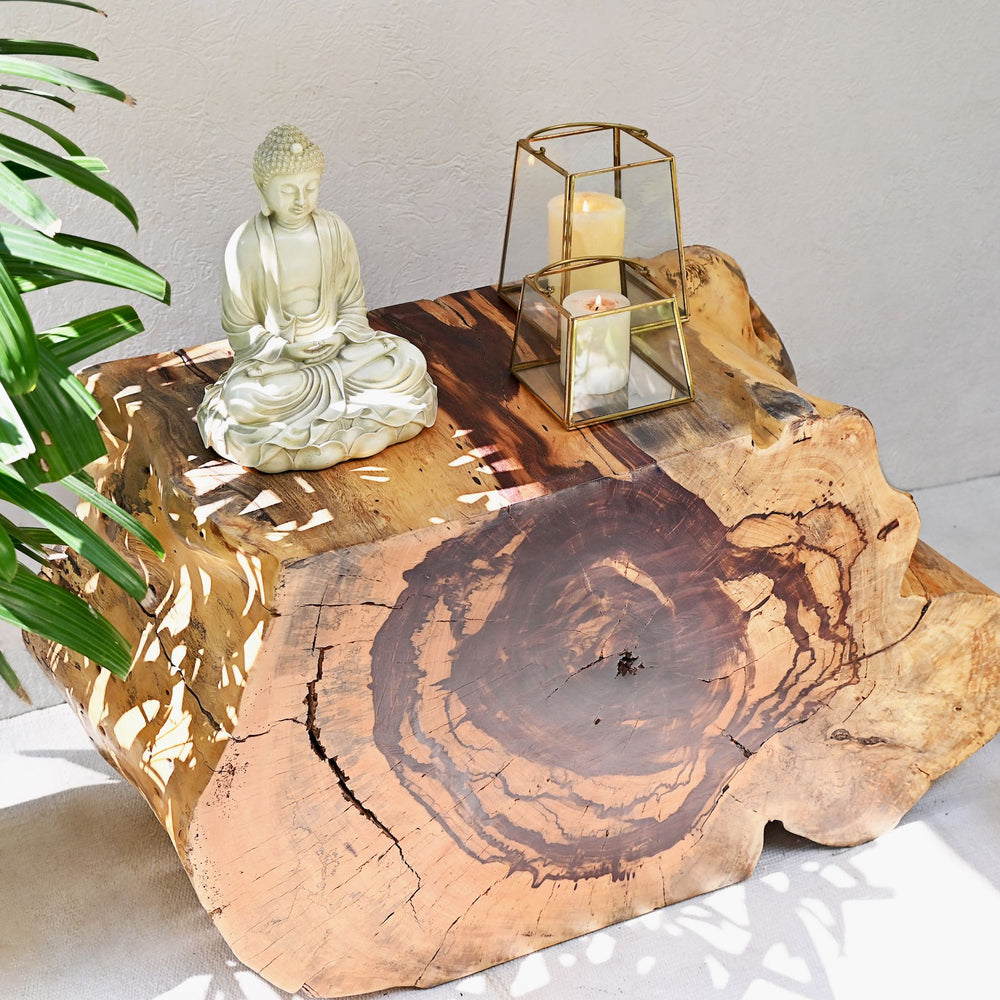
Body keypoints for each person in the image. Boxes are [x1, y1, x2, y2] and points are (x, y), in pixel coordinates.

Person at [197, 125, 437, 473]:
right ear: (263, 188)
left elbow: (352, 304)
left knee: (408, 360)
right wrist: (285, 350)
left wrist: (340, 336)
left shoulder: (334, 230)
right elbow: (239, 327)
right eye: (288, 190)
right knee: (242, 399)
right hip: (283, 364)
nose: (301, 200)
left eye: (310, 188)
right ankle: (338, 408)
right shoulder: (247, 243)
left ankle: (331, 406)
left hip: (340, 352)